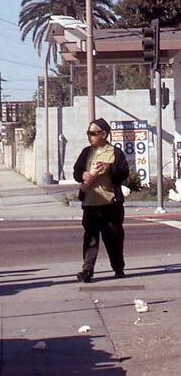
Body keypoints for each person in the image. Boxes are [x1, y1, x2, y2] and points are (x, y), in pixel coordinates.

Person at [73, 117, 130, 283]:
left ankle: (118, 268)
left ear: (103, 134)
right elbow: (76, 172)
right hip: (90, 203)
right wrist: (82, 175)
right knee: (90, 238)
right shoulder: (86, 152)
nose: (89, 136)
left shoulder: (115, 152)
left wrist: (109, 168)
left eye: (93, 133)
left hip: (110, 204)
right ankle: (87, 270)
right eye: (88, 133)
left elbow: (123, 173)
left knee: (113, 238)